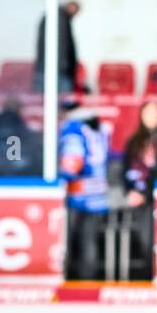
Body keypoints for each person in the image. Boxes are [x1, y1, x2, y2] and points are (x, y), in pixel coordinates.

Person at [59, 101, 110, 280]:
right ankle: (89, 281)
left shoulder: (73, 128)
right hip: (99, 196)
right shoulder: (98, 126)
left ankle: (73, 282)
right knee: (90, 242)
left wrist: (57, 174)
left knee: (68, 241)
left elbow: (72, 164)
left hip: (77, 195)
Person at [122, 100, 157, 280]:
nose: (151, 117)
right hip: (139, 200)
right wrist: (131, 192)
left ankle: (156, 276)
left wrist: (146, 193)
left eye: (155, 113)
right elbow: (125, 169)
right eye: (148, 113)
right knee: (144, 239)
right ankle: (145, 277)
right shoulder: (134, 142)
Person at [33, 0, 80, 94]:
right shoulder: (59, 18)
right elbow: (63, 47)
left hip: (49, 68)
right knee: (62, 102)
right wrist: (65, 66)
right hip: (58, 70)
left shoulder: (55, 17)